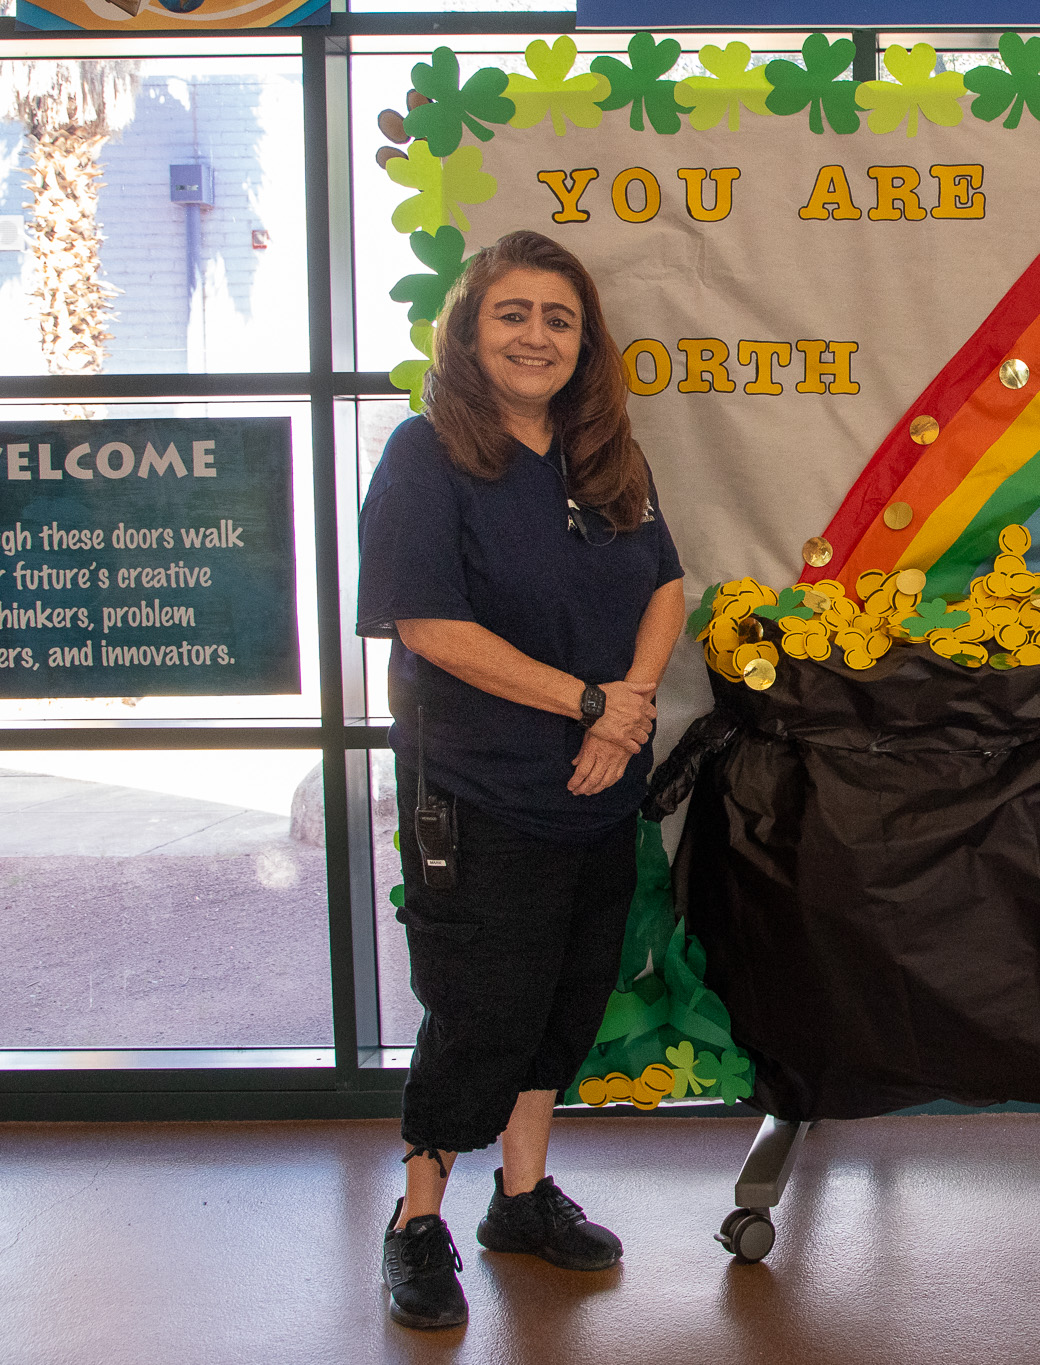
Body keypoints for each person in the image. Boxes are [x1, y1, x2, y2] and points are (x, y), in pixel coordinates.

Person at [356, 229, 687, 1330]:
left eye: (558, 317)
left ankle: (522, 1197)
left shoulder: (605, 461)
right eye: (513, 314)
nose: (536, 335)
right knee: (479, 1012)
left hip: (597, 790)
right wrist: (591, 704)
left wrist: (626, 705)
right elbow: (429, 626)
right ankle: (415, 1223)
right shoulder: (426, 454)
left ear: (583, 341)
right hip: (479, 792)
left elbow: (666, 590)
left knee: (563, 1001)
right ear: (469, 330)